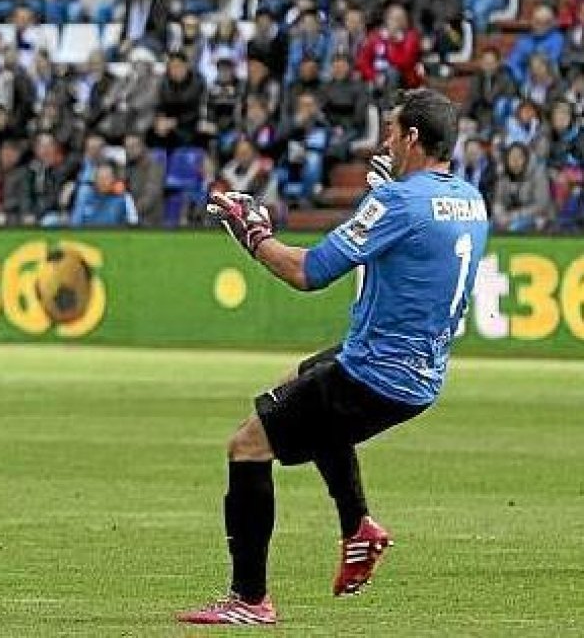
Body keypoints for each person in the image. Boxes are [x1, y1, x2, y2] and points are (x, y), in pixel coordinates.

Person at [179, 88, 489, 626]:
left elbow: (308, 272)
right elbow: (419, 244)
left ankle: (249, 600)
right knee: (297, 384)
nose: (385, 143)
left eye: (392, 132)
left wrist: (254, 234)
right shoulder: (469, 199)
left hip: (375, 374)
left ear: (413, 137)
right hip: (418, 371)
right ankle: (357, 527)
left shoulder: (397, 203)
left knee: (247, 445)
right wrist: (394, 195)